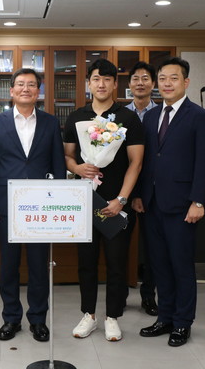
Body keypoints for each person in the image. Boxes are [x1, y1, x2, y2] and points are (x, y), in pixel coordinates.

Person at [133, 57, 205, 347]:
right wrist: (140, 194)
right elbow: (147, 161)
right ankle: (165, 317)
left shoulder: (200, 116)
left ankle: (182, 323)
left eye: (174, 78)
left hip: (183, 205)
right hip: (152, 203)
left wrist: (198, 201)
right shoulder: (152, 116)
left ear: (186, 82)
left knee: (181, 266)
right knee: (159, 265)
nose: (167, 84)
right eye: (163, 79)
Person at [0, 68, 66, 342]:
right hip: (8, 205)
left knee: (39, 266)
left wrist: (57, 204)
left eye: (31, 85)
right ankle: (11, 318)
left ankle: (38, 319)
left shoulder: (50, 123)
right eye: (20, 84)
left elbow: (58, 165)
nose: (25, 89)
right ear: (12, 90)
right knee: (9, 265)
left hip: (41, 207)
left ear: (38, 91)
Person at [63, 58, 144, 341]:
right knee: (86, 262)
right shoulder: (77, 117)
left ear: (114, 84)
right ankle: (89, 315)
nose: (101, 84)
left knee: (116, 262)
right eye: (96, 78)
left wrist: (122, 199)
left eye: (107, 79)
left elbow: (136, 163)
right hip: (85, 201)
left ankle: (112, 317)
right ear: (88, 83)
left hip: (115, 203)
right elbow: (68, 156)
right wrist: (77, 168)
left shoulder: (128, 118)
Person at [125, 61, 158, 316]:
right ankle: (120, 295)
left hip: (153, 192)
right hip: (123, 190)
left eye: (145, 78)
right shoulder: (119, 115)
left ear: (153, 84)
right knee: (120, 246)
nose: (140, 83)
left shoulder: (161, 115)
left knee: (151, 248)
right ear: (128, 84)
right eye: (135, 78)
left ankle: (149, 296)